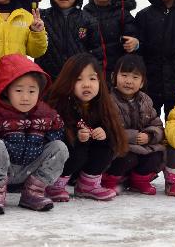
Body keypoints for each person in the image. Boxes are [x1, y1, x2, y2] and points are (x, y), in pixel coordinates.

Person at [0, 54, 68, 214]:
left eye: (31, 91)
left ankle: (33, 193)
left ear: (39, 91)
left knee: (60, 147)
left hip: (31, 168)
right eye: (19, 90)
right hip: (3, 169)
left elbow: (59, 129)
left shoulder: (46, 113)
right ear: (7, 91)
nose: (25, 97)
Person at [44, 53, 128, 201]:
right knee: (76, 149)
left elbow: (115, 130)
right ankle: (55, 184)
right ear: (68, 81)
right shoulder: (59, 103)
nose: (87, 84)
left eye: (92, 78)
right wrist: (74, 134)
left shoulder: (102, 103)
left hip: (84, 164)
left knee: (109, 141)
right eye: (79, 79)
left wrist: (104, 131)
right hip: (61, 164)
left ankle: (88, 184)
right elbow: (50, 137)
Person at [101, 54, 165, 195]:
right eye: (124, 75)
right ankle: (109, 180)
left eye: (135, 77)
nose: (129, 81)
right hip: (119, 148)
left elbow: (157, 125)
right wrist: (133, 136)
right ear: (113, 77)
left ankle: (139, 181)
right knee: (128, 157)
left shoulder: (146, 100)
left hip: (142, 146)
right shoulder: (108, 101)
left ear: (142, 82)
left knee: (156, 156)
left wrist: (149, 135)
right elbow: (108, 128)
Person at [33, 0, 103, 80]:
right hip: (48, 82)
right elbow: (20, 13)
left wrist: (94, 80)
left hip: (78, 82)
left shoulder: (88, 20)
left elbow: (97, 55)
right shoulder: (42, 17)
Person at [82, 0, 140, 75]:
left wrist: (135, 42)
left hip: (119, 73)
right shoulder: (84, 15)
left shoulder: (123, 13)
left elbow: (134, 34)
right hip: (93, 73)